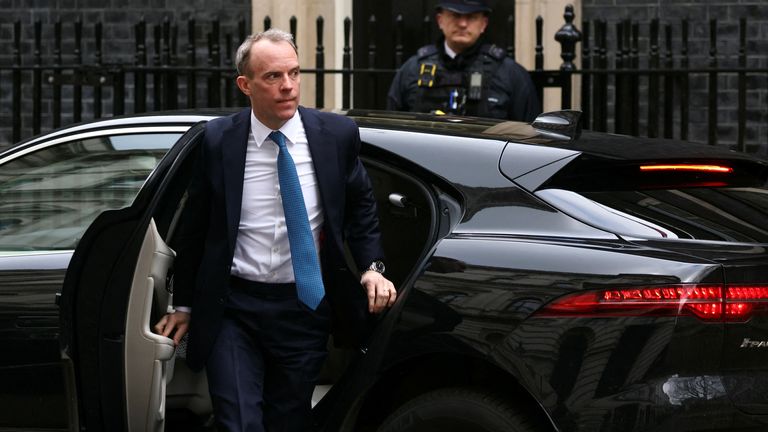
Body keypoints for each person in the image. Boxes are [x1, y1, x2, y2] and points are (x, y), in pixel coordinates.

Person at [154, 29, 397, 432]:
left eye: (294, 73)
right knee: (238, 422)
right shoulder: (218, 139)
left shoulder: (335, 136)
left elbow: (361, 207)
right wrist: (185, 306)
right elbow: (196, 226)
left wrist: (373, 266)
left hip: (303, 307)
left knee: (289, 420)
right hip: (234, 308)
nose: (288, 87)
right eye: (272, 77)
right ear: (245, 85)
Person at [387, 0, 541, 122]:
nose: (462, 24)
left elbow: (529, 136)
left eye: (472, 17)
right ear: (440, 20)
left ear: (483, 24)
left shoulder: (510, 74)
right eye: (455, 15)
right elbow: (392, 127)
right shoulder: (412, 70)